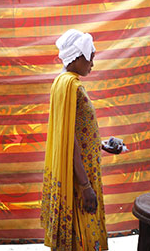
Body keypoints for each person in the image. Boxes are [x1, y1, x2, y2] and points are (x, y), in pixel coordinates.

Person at [40, 29, 126, 251]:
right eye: (91, 57)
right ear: (77, 57)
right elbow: (69, 142)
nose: (93, 64)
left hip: (80, 172)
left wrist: (100, 144)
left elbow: (74, 132)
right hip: (80, 177)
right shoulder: (72, 87)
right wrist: (86, 186)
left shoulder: (61, 82)